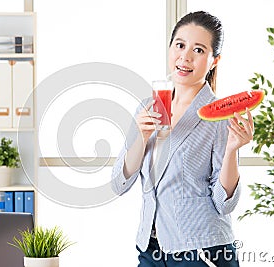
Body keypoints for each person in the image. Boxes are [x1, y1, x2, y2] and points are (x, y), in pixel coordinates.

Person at [111, 11, 254, 267]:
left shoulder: (219, 115)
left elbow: (223, 203)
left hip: (200, 250)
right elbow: (119, 184)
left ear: (214, 61)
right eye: (180, 45)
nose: (185, 57)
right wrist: (142, 138)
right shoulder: (148, 108)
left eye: (198, 50)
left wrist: (232, 149)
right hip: (150, 248)